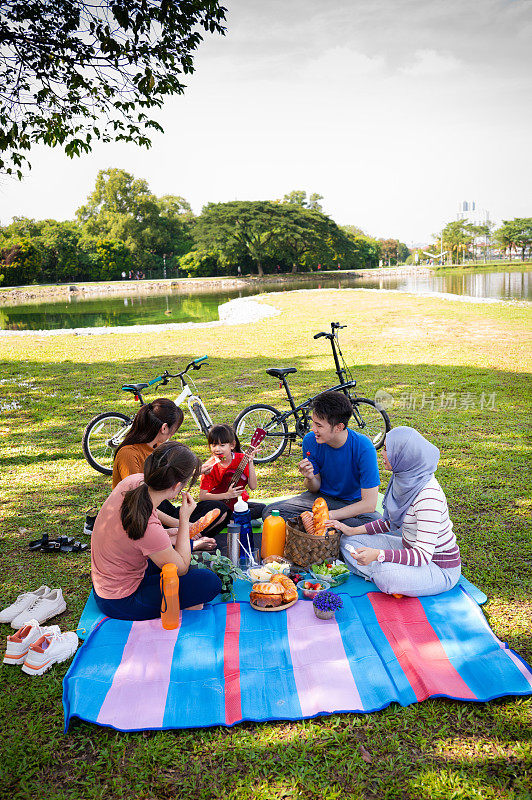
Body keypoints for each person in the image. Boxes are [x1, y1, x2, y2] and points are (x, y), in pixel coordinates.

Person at [91, 442, 222, 619]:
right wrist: (184, 520)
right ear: (177, 487)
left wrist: (171, 533)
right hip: (121, 600)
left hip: (107, 579)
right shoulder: (148, 528)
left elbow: (136, 537)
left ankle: (184, 558)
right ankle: (183, 603)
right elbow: (181, 568)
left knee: (179, 560)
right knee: (208, 581)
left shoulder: (133, 481)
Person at [327, 426, 461, 597]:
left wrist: (378, 555)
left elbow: (423, 556)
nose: (382, 454)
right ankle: (388, 573)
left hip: (437, 567)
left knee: (386, 574)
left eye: (386, 449)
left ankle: (386, 575)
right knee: (348, 541)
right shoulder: (404, 478)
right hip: (408, 547)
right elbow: (390, 521)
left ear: (403, 455)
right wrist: (352, 530)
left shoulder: (428, 497)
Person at [112, 398, 228, 546]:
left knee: (221, 510)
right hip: (143, 514)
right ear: (164, 428)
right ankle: (186, 541)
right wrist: (182, 524)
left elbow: (166, 476)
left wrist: (194, 472)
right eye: (174, 429)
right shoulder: (128, 454)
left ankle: (186, 539)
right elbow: (141, 504)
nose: (173, 434)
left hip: (162, 506)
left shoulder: (157, 446)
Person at [262, 391, 381, 526]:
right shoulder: (310, 441)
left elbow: (369, 504)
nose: (313, 429)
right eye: (313, 423)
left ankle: (320, 526)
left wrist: (327, 516)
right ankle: (331, 529)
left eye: (319, 425)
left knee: (375, 523)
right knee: (271, 512)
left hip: (352, 504)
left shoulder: (364, 447)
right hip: (319, 500)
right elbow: (314, 487)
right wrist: (310, 477)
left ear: (339, 427)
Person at [199, 424, 265, 520]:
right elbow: (203, 496)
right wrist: (227, 495)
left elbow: (253, 486)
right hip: (217, 504)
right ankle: (232, 518)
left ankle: (229, 518)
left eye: (222, 445)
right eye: (214, 445)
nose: (217, 449)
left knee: (261, 508)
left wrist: (250, 462)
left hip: (237, 503)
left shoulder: (242, 459)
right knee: (208, 510)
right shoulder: (209, 466)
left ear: (232, 445)